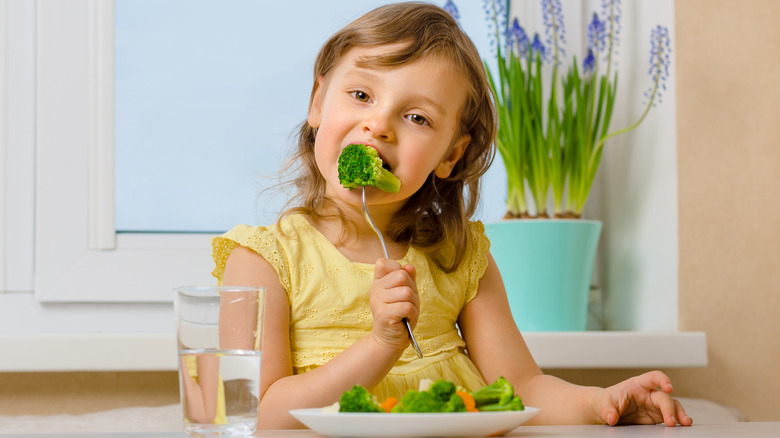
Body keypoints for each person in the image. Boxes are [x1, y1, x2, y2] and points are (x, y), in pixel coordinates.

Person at [211, 2, 692, 430]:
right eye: (361, 95)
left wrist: (599, 404)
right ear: (318, 102)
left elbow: (523, 387)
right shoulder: (262, 261)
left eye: (417, 118)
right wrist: (380, 344)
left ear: (451, 155)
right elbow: (256, 413)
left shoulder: (458, 260)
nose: (378, 124)